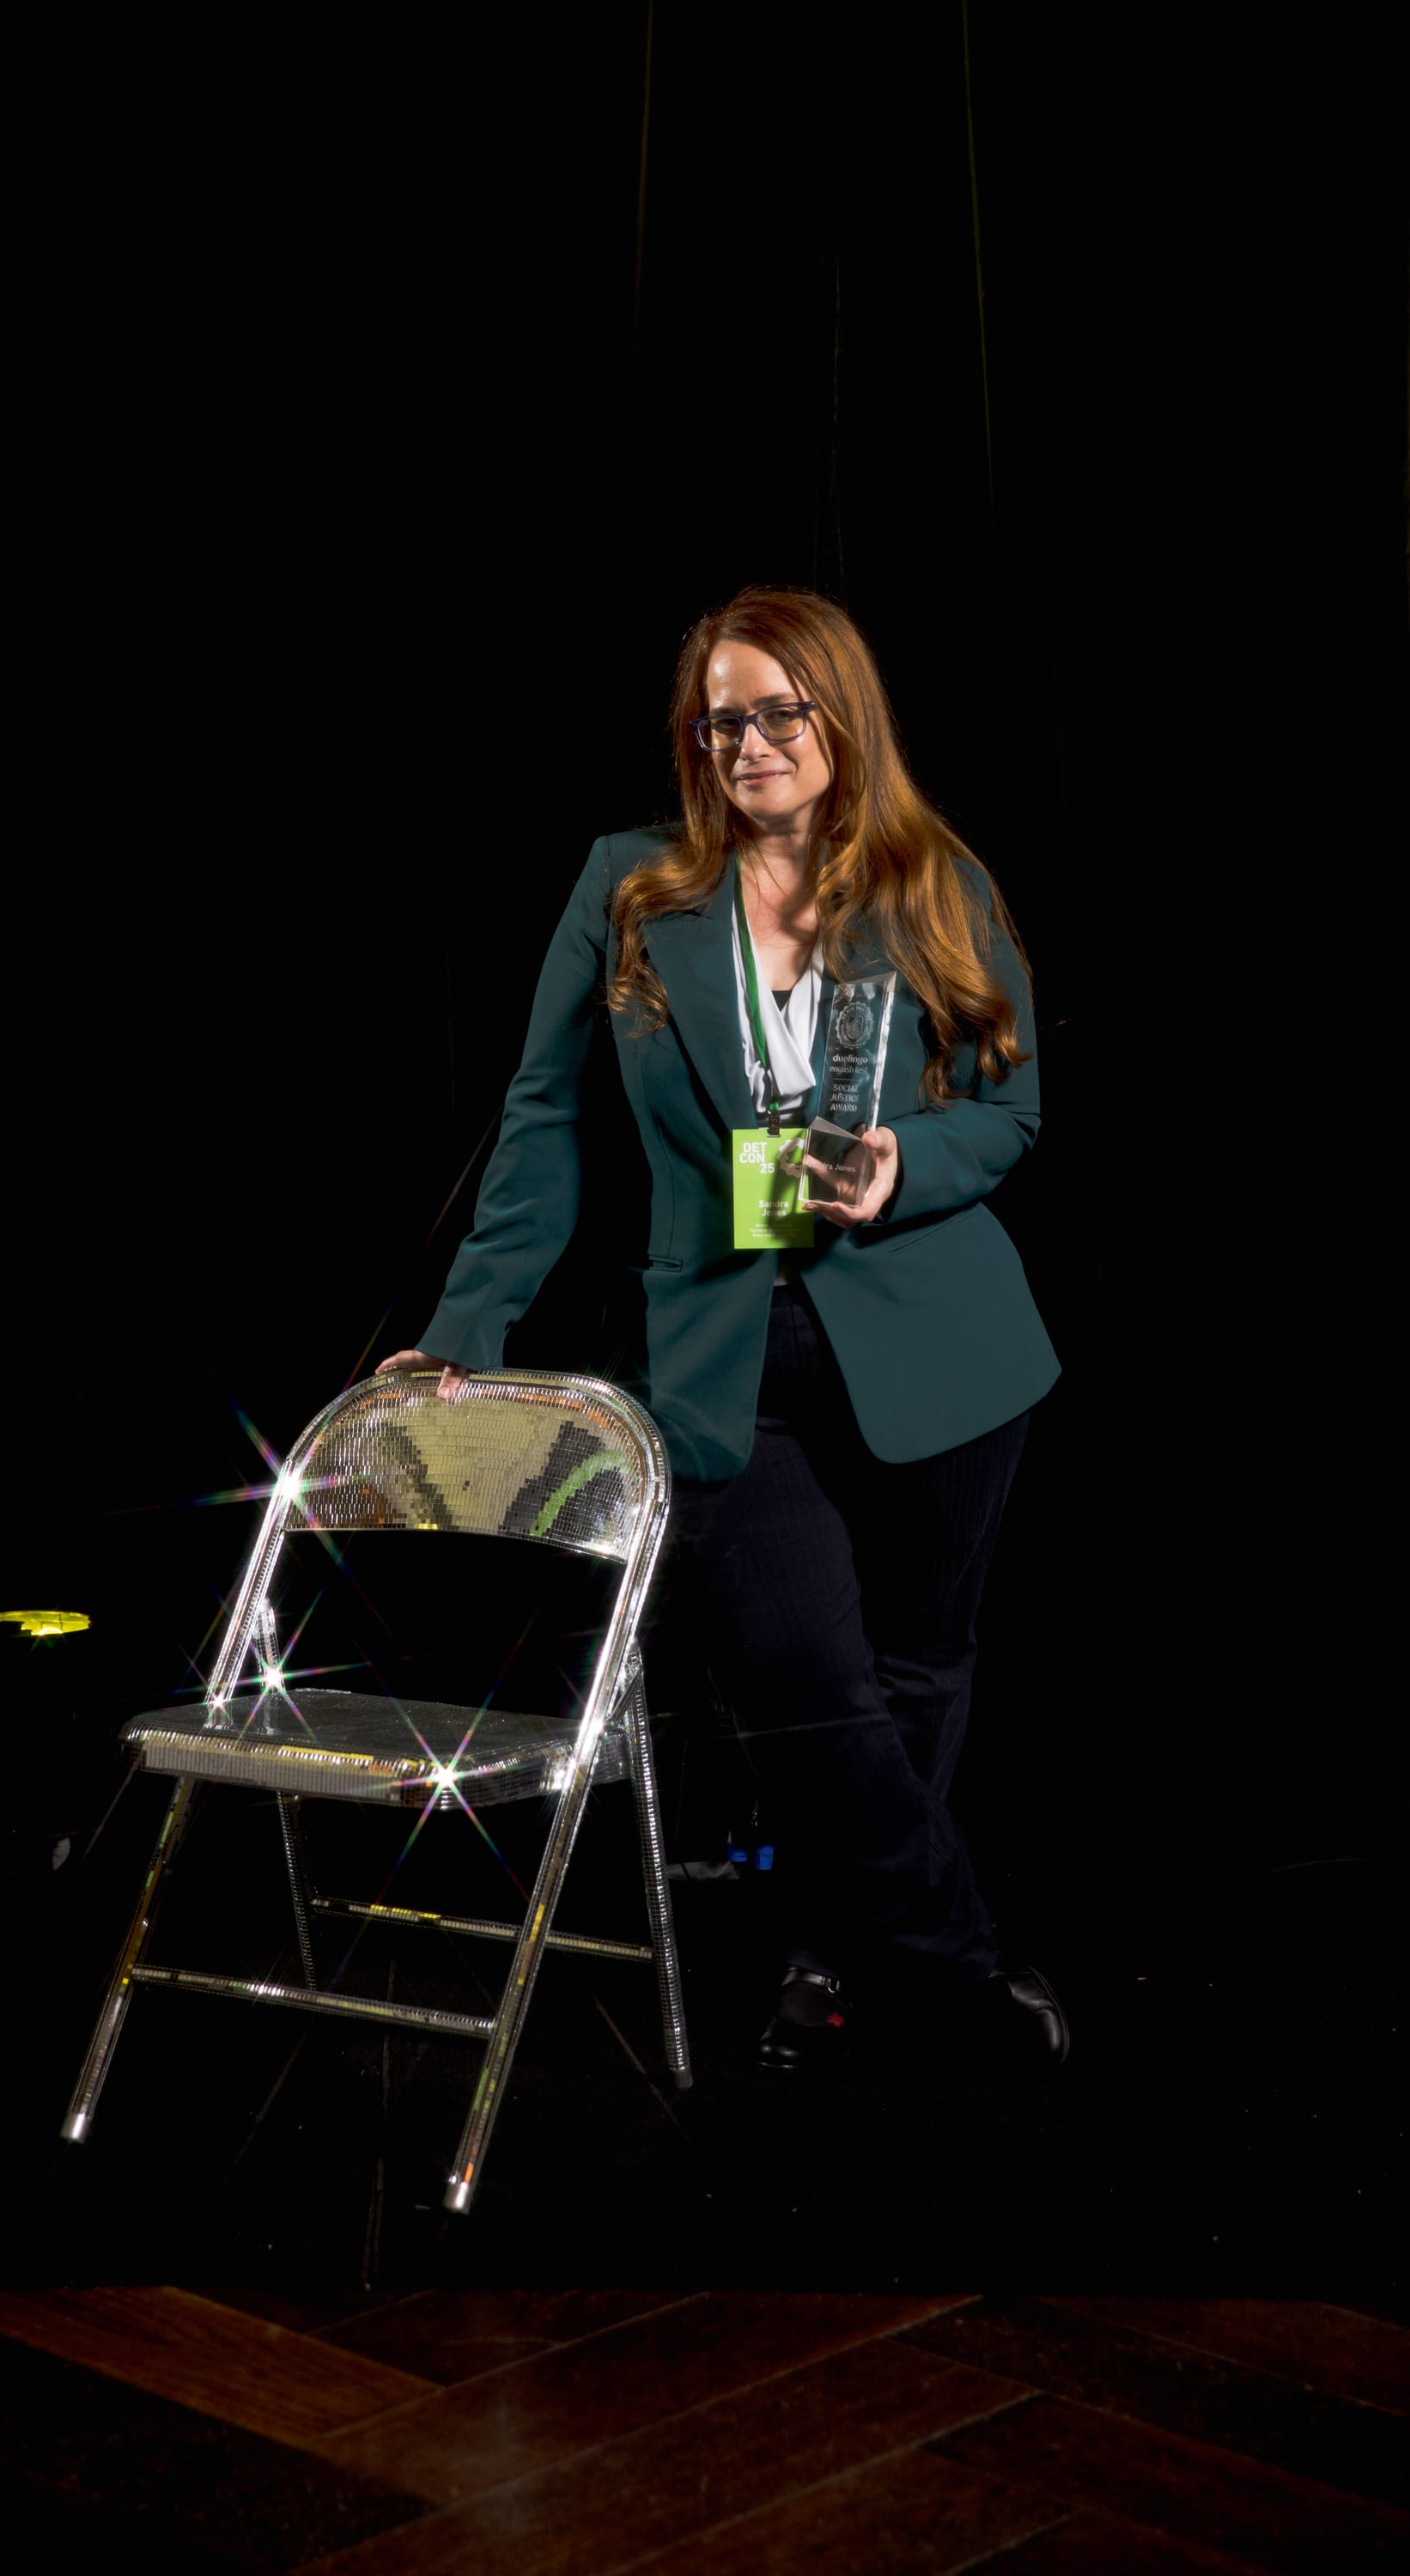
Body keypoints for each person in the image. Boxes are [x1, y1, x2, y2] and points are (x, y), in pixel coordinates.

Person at [379, 582, 1068, 2073]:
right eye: (717, 720)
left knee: (919, 1669)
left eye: (776, 711)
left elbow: (1012, 1111)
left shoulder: (936, 880)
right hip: (716, 1358)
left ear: (840, 716)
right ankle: (954, 1980)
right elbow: (544, 1119)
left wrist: (903, 1164)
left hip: (942, 1342)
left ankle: (837, 1960)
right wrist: (466, 1327)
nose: (745, 743)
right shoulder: (628, 887)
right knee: (804, 1684)